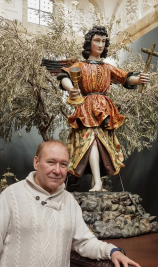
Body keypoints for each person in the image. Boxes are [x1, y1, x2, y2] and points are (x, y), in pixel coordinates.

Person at [0, 139, 140, 267]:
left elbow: (84, 242)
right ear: (36, 162)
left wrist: (112, 251)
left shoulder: (69, 201)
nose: (57, 170)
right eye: (51, 162)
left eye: (63, 164)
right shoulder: (11, 196)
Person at [58, 25, 149, 192]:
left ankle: (96, 183)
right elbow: (64, 75)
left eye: (103, 41)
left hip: (104, 109)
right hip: (86, 107)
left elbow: (125, 78)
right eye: (96, 40)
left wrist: (140, 79)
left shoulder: (107, 67)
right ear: (89, 43)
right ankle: (97, 183)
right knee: (91, 140)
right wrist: (71, 89)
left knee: (100, 143)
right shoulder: (80, 65)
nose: (100, 45)